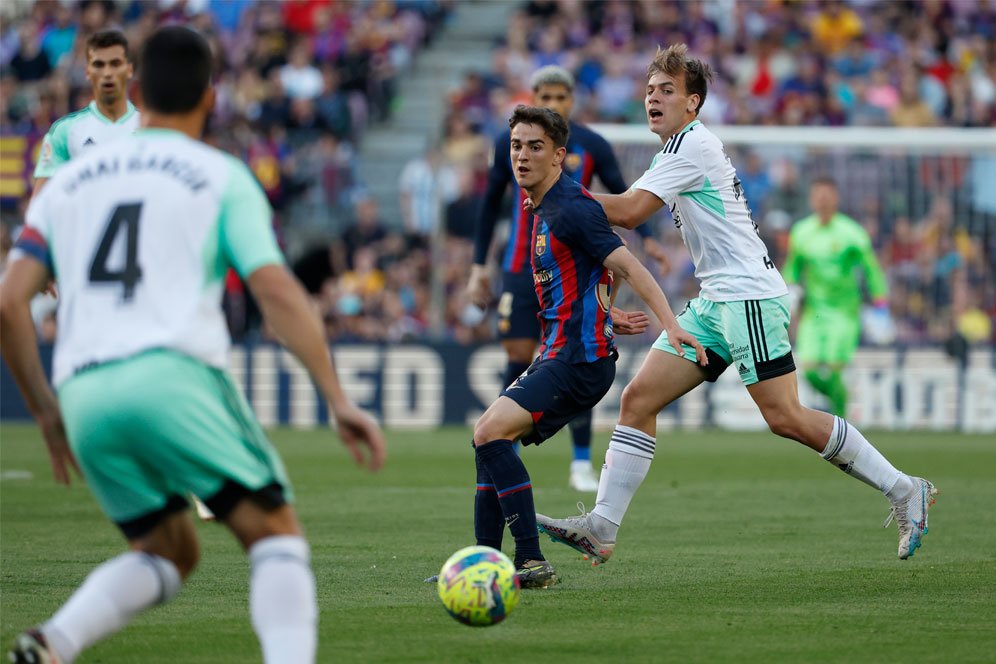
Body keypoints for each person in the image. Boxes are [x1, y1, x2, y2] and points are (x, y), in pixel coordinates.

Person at [2, 26, 386, 664]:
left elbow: (11, 300)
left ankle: (52, 643)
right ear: (211, 98)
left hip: (84, 394)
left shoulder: (68, 183)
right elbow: (277, 292)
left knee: (169, 549)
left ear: (138, 89)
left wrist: (45, 411)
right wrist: (336, 396)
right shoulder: (218, 174)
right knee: (276, 536)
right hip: (173, 375)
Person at [536, 44, 936, 566]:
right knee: (638, 400)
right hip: (715, 301)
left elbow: (629, 212)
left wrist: (556, 191)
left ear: (693, 103)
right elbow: (622, 210)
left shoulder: (690, 148)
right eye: (650, 90)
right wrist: (565, 196)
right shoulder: (672, 151)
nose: (652, 98)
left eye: (667, 91)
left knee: (786, 416)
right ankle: (602, 527)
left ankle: (904, 488)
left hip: (747, 296)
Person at [454, 105, 704, 589]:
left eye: (535, 147)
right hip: (564, 350)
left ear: (559, 155)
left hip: (577, 361)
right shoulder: (544, 206)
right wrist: (605, 315)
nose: (522, 156)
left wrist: (669, 325)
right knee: (488, 442)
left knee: (488, 434)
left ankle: (529, 560)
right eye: (515, 146)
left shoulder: (569, 207)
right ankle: (484, 566)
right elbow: (587, 278)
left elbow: (629, 266)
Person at [468, 65, 667, 492]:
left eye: (560, 97)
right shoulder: (512, 144)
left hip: (574, 261)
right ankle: (506, 444)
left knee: (575, 354)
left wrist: (648, 238)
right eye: (545, 95)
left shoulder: (591, 145)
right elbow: (489, 204)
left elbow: (624, 195)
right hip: (521, 267)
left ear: (571, 101)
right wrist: (477, 266)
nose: (553, 103)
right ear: (534, 95)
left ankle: (579, 461)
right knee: (524, 354)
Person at [783, 177, 890, 416]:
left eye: (827, 195)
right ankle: (841, 417)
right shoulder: (802, 232)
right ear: (811, 199)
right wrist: (790, 292)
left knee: (833, 371)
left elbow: (871, 269)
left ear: (836, 198)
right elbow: (793, 268)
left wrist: (881, 304)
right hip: (814, 313)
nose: (822, 200)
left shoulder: (852, 233)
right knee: (809, 371)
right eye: (818, 195)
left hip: (844, 313)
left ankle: (839, 426)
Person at [32, 29, 139, 197]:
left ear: (129, 70)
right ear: (88, 72)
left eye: (115, 63)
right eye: (99, 65)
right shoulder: (64, 131)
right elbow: (40, 205)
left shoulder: (151, 127)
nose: (107, 73)